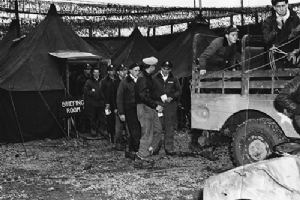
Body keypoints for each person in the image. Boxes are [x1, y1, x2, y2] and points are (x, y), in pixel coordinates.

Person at [135, 56, 163, 165]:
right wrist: (155, 105)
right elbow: (142, 96)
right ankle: (141, 155)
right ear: (150, 66)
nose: (155, 67)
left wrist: (158, 101)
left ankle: (149, 150)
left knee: (158, 129)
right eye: (154, 66)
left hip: (150, 106)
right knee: (147, 132)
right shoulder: (142, 78)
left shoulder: (148, 77)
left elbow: (151, 93)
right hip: (144, 107)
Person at [152, 61, 181, 155]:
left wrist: (172, 97)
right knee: (157, 127)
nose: (166, 71)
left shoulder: (174, 78)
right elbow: (150, 91)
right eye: (164, 68)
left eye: (168, 69)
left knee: (169, 127)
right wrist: (158, 98)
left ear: (170, 69)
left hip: (170, 106)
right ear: (161, 68)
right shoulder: (154, 78)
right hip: (158, 104)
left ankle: (169, 148)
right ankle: (155, 147)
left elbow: (179, 91)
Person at [116, 63, 141, 158]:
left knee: (137, 130)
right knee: (133, 131)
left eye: (138, 70)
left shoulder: (140, 80)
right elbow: (119, 98)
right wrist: (121, 112)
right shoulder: (125, 82)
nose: (137, 72)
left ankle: (131, 149)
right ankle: (135, 150)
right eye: (135, 70)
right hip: (129, 110)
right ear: (130, 71)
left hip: (139, 109)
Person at [83, 67, 106, 137]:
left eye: (97, 72)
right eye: (95, 72)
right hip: (92, 103)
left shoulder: (102, 81)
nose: (96, 73)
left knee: (102, 117)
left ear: (99, 73)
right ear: (93, 73)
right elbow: (86, 91)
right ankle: (93, 130)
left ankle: (102, 130)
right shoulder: (89, 81)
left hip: (101, 103)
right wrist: (92, 92)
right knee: (93, 118)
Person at [101, 64, 118, 143]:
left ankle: (116, 135)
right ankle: (111, 135)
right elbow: (101, 93)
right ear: (108, 72)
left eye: (113, 70)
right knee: (109, 119)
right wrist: (105, 103)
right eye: (111, 70)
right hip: (107, 104)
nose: (112, 72)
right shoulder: (104, 81)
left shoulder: (117, 79)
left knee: (116, 119)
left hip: (116, 102)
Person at [114, 64, 129, 150]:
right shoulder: (115, 82)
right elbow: (112, 96)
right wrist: (115, 108)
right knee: (118, 129)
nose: (124, 72)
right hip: (118, 108)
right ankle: (118, 144)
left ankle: (128, 143)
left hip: (128, 107)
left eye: (125, 70)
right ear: (118, 72)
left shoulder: (128, 81)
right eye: (122, 70)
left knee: (128, 128)